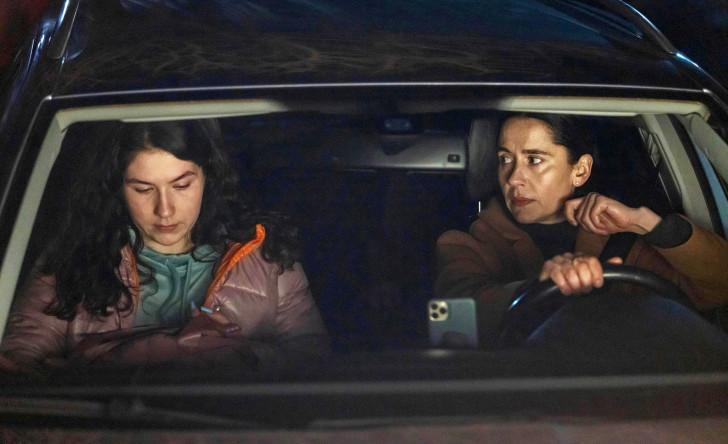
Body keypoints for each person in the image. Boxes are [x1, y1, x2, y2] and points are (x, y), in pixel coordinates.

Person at [0, 119, 329, 375]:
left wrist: (238, 357)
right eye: (143, 189)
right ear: (117, 187)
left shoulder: (265, 256)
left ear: (208, 177)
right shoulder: (74, 255)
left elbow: (313, 364)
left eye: (181, 185)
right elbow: (18, 369)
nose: (165, 210)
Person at [435, 113, 728, 347]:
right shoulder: (468, 243)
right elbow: (451, 318)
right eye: (505, 160)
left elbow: (719, 285)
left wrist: (646, 223)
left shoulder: (622, 243)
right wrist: (540, 285)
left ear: (580, 171)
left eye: (534, 160)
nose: (513, 178)